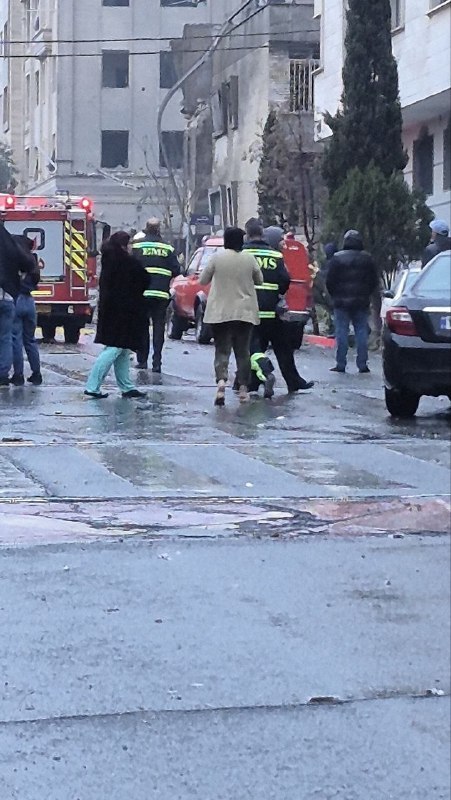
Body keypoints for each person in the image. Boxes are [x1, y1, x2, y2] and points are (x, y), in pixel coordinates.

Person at [244, 219, 314, 393]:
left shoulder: (243, 254)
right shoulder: (275, 256)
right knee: (283, 348)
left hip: (249, 309)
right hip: (272, 310)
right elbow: (285, 280)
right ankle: (293, 381)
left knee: (253, 348)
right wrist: (277, 294)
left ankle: (252, 381)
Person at [199, 226, 263, 406]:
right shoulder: (249, 258)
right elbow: (260, 280)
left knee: (222, 349)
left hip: (220, 312)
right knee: (243, 351)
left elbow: (203, 280)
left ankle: (221, 382)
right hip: (244, 312)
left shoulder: (216, 258)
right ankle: (243, 389)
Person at [85, 231, 148, 399]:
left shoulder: (109, 260)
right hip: (122, 312)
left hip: (112, 310)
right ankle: (92, 386)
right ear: (122, 245)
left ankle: (126, 386)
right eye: (127, 244)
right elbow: (143, 278)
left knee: (123, 349)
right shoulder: (125, 262)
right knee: (114, 348)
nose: (129, 248)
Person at [326, 229, 379, 374]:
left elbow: (330, 280)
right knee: (361, 332)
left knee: (341, 331)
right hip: (361, 301)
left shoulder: (337, 258)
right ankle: (362, 364)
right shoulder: (367, 259)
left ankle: (341, 363)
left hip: (341, 302)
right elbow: (374, 281)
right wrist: (366, 294)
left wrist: (335, 295)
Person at [131, 218, 180, 373]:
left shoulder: (138, 246)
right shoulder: (167, 248)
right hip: (161, 294)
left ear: (146, 228)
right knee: (159, 328)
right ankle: (157, 362)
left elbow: (130, 268)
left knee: (142, 327)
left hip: (142, 294)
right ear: (159, 230)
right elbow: (177, 270)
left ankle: (142, 360)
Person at [0, 222, 36, 388]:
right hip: (8, 296)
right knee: (8, 338)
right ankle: (4, 374)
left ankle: (15, 373)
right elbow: (28, 264)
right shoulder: (9, 242)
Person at [10, 236, 42, 386]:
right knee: (30, 339)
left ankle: (18, 375)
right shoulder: (32, 262)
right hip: (30, 302)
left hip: (16, 300)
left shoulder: (14, 261)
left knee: (16, 339)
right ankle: (36, 373)